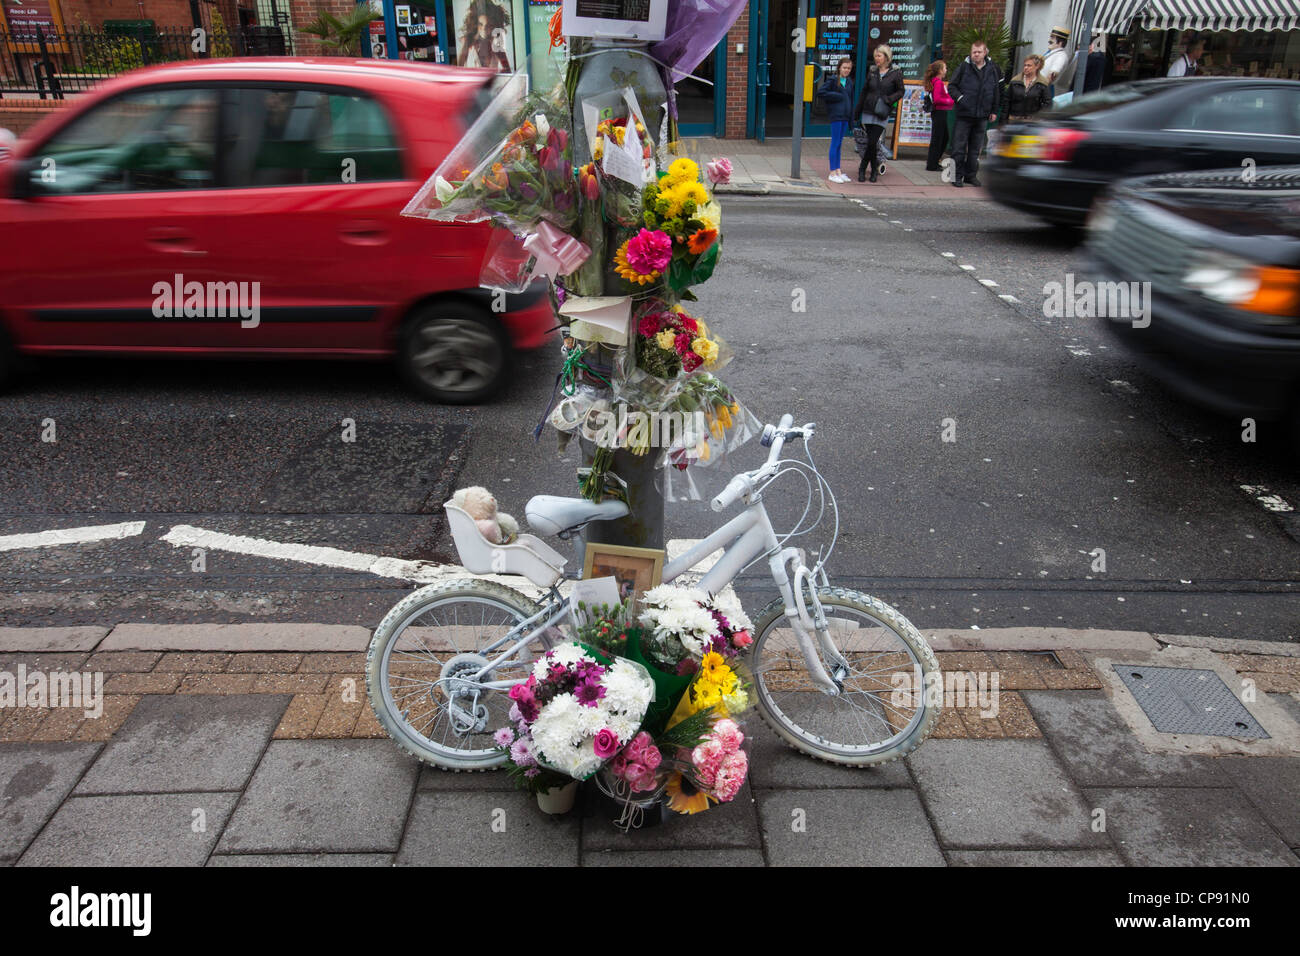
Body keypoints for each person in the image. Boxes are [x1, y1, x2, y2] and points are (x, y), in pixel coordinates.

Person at [948, 40, 1001, 188]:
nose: (976, 54)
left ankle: (970, 175)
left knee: (975, 148)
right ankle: (954, 176)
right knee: (958, 147)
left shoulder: (992, 69)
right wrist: (961, 99)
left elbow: (996, 90)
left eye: (979, 52)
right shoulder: (964, 67)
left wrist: (994, 110)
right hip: (964, 114)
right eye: (973, 52)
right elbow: (952, 86)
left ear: (985, 52)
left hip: (982, 115)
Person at [852, 44, 904, 183]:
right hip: (869, 109)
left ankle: (864, 167)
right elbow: (864, 91)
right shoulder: (872, 72)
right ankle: (873, 169)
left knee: (873, 141)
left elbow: (900, 91)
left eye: (879, 56)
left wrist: (889, 99)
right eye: (875, 56)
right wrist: (858, 110)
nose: (876, 59)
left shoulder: (895, 73)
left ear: (886, 57)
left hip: (882, 111)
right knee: (871, 142)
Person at [817, 57, 855, 184]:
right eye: (844, 68)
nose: (846, 70)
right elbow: (821, 92)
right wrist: (837, 96)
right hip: (836, 116)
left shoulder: (849, 82)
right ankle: (832, 172)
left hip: (845, 116)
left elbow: (851, 99)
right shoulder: (833, 80)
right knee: (835, 143)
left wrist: (851, 119)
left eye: (849, 68)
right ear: (839, 68)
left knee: (839, 144)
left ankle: (838, 170)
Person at [458, 1, 511, 71]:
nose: (484, 29)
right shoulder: (468, 42)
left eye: (488, 25)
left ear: (493, 25)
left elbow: (507, 70)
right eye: (480, 24)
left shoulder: (496, 44)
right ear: (475, 24)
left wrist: (498, 74)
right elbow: (459, 68)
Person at [923, 60, 953, 171]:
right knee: (938, 138)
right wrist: (950, 101)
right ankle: (932, 163)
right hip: (939, 112)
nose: (946, 70)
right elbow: (937, 99)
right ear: (940, 70)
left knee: (943, 137)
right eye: (945, 68)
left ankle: (934, 161)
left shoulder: (935, 82)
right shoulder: (938, 83)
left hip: (939, 112)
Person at [1002, 54, 1051, 122]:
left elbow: (1047, 103)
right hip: (1013, 119)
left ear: (1037, 66)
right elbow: (1006, 101)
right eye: (1025, 65)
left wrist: (1040, 119)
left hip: (1032, 121)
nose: (1026, 67)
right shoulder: (1015, 81)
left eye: (1029, 65)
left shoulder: (1042, 84)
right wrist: (1003, 120)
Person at [1041, 27, 1070, 97]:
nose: (1049, 40)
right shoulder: (1052, 53)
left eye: (1052, 38)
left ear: (1060, 42)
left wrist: (1039, 89)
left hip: (1044, 91)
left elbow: (1053, 74)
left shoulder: (1061, 56)